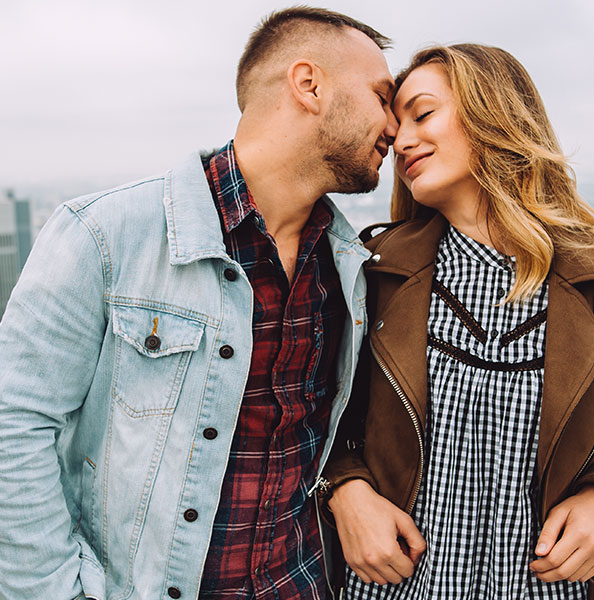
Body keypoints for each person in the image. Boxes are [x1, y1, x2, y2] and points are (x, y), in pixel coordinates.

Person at [0, 7, 398, 600]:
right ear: (309, 85)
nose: (396, 125)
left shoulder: (351, 266)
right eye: (383, 96)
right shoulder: (105, 234)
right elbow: (15, 424)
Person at [320, 44, 594, 599]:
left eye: (422, 115)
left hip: (549, 587)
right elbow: (320, 411)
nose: (400, 141)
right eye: (398, 127)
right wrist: (345, 490)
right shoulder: (373, 271)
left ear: (492, 114)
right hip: (394, 585)